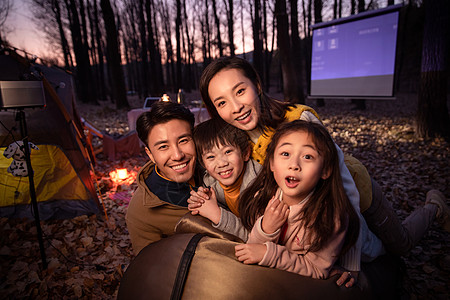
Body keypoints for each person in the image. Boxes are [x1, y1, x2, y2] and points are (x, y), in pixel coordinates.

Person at [199, 56, 450, 286]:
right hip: (320, 215)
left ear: (257, 85)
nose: (235, 107)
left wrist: (350, 263)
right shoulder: (240, 141)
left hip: (356, 193)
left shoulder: (300, 120)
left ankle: (434, 207)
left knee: (401, 244)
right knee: (376, 249)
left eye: (240, 91)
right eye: (222, 102)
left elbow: (342, 187)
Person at [235, 120, 362, 279]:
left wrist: (271, 254)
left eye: (308, 156)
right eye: (286, 154)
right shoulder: (263, 198)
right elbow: (252, 252)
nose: (294, 165)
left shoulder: (331, 217)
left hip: (365, 247)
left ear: (325, 170)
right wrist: (266, 230)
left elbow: (317, 270)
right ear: (272, 163)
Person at [125, 101, 199, 255]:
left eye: (183, 140)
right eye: (163, 147)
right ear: (150, 154)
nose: (178, 155)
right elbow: (154, 270)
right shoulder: (141, 213)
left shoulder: (220, 167)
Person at [187, 118, 260, 240]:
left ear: (245, 153)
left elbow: (256, 240)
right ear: (203, 164)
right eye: (210, 156)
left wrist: (217, 214)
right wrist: (201, 202)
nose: (221, 163)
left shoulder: (260, 184)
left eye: (228, 152)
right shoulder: (211, 184)